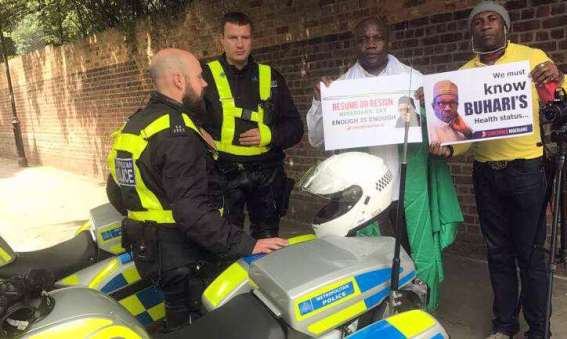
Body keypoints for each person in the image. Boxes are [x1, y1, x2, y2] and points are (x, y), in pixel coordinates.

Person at [106, 48, 288, 330]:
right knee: (199, 326)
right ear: (179, 80)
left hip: (150, 249)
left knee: (178, 320)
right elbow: (191, 212)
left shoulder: (136, 124)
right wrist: (248, 244)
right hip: (184, 256)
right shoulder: (176, 132)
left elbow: (117, 192)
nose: (204, 84)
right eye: (199, 76)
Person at [433, 2, 567, 338]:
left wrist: (558, 79)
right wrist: (446, 147)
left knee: (531, 255)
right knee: (498, 253)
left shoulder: (531, 58)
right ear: (472, 31)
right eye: (478, 22)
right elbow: (462, 133)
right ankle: (504, 325)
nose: (485, 25)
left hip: (527, 172)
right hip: (486, 172)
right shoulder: (463, 74)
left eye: (493, 19)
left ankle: (539, 330)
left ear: (505, 27)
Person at [306, 17, 463, 311]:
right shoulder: (341, 87)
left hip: (407, 186)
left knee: (415, 255)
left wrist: (427, 110)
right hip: (365, 194)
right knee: (371, 260)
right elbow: (316, 138)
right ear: (356, 44)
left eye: (377, 37)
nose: (371, 44)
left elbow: (443, 131)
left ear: (387, 41)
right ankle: (378, 314)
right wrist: (320, 101)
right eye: (364, 39)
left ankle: (419, 313)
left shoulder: (413, 79)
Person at [199, 12, 303, 239]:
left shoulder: (271, 76)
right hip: (223, 173)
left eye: (245, 37)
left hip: (267, 172)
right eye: (233, 37)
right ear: (222, 40)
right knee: (226, 240)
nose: (239, 44)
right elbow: (187, 120)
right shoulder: (204, 77)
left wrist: (269, 134)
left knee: (268, 240)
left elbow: (295, 127)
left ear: (252, 40)